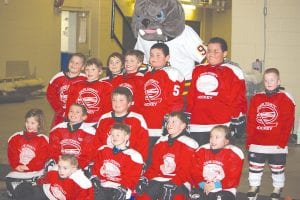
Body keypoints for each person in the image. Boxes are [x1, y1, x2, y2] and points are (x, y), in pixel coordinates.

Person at [186, 37, 247, 146]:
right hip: (197, 124)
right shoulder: (197, 70)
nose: (211, 54)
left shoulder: (233, 71)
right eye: (209, 50)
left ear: (224, 53)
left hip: (221, 124)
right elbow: (192, 95)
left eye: (216, 51)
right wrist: (188, 114)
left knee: (218, 161)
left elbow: (238, 98)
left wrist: (237, 118)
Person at [246, 68, 295, 200]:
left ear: (278, 81)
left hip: (276, 144)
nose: (268, 83)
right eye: (266, 80)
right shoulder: (257, 97)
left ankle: (277, 187)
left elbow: (288, 121)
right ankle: (254, 186)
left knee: (277, 168)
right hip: (258, 142)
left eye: (272, 80)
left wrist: (282, 141)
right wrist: (249, 140)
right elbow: (251, 120)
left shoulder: (285, 97)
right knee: (254, 168)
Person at [136, 111, 198, 200]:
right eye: (168, 122)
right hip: (159, 179)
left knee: (176, 197)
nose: (169, 124)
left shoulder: (189, 143)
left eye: (173, 121)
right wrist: (145, 177)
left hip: (180, 182)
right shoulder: (160, 142)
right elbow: (154, 166)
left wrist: (175, 182)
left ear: (182, 126)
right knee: (143, 196)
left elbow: (187, 170)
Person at [141, 42, 184, 140]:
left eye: (158, 55)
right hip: (147, 123)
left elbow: (175, 100)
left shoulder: (172, 73)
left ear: (167, 57)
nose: (154, 58)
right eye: (151, 55)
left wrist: (170, 121)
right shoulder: (146, 75)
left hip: (163, 124)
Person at [190, 125, 244, 200]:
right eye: (211, 136)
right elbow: (195, 171)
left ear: (226, 141)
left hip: (224, 188)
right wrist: (202, 184)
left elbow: (233, 178)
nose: (213, 140)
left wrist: (216, 185)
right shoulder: (201, 151)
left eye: (217, 137)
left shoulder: (234, 153)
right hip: (204, 187)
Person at [96, 86, 149, 162]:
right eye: (114, 100)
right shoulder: (104, 118)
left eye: (121, 100)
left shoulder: (137, 119)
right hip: (106, 161)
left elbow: (143, 144)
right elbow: (97, 142)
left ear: (129, 103)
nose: (117, 103)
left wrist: (140, 162)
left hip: (128, 162)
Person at [91, 123, 143, 200]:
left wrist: (123, 187)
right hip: (103, 185)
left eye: (118, 135)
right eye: (112, 135)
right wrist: (95, 178)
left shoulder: (133, 155)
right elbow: (96, 168)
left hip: (120, 187)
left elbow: (132, 178)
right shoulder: (104, 150)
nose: (114, 137)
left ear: (126, 137)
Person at [6, 108, 49, 198]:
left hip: (35, 171)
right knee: (10, 178)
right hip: (19, 170)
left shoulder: (43, 140)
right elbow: (12, 154)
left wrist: (29, 167)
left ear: (39, 124)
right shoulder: (16, 137)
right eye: (27, 122)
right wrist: (17, 165)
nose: (29, 125)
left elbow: (41, 158)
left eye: (33, 123)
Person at [13, 154, 94, 200]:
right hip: (47, 191)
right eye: (60, 167)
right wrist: (35, 183)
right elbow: (46, 179)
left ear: (74, 169)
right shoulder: (55, 170)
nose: (61, 171)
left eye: (65, 168)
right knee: (22, 188)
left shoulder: (82, 184)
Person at [66, 57, 113, 126]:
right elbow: (70, 105)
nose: (90, 72)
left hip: (96, 123)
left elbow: (107, 108)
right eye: (87, 69)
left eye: (93, 69)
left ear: (100, 71)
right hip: (78, 122)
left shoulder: (106, 87)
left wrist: (102, 123)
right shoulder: (76, 86)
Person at [49, 103, 97, 169]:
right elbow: (54, 149)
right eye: (71, 111)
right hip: (61, 163)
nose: (73, 113)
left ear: (84, 117)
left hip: (80, 166)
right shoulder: (57, 129)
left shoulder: (89, 131)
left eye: (77, 112)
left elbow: (88, 154)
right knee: (52, 173)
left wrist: (76, 166)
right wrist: (60, 162)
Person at [47, 52, 87, 127]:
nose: (73, 64)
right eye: (72, 62)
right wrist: (59, 109)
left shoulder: (85, 79)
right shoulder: (58, 77)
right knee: (57, 131)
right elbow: (50, 94)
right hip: (61, 114)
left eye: (77, 63)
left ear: (82, 67)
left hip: (78, 113)